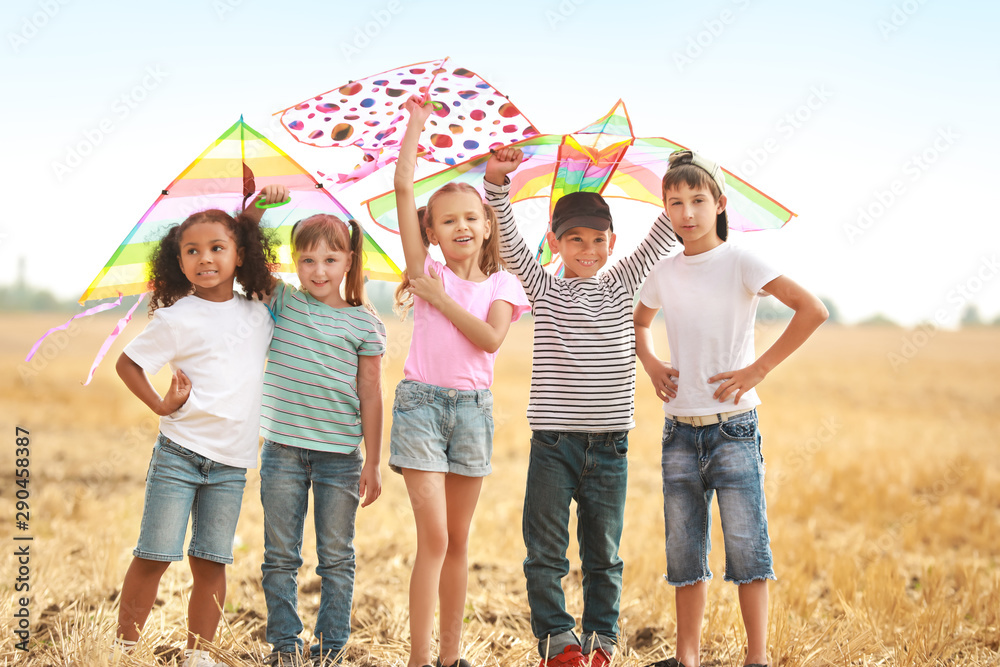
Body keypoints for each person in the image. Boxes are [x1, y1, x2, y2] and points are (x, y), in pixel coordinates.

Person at [483, 146, 677, 667]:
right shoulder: (542, 288)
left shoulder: (623, 283)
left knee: (603, 556)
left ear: (612, 244)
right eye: (575, 240)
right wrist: (497, 187)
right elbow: (509, 240)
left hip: (611, 446)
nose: (587, 249)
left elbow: (666, 230)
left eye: (597, 240)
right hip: (553, 444)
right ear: (555, 242)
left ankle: (601, 643)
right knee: (545, 552)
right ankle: (556, 642)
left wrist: (681, 177)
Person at [634, 150, 828, 667]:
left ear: (719, 204)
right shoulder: (664, 270)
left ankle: (757, 658)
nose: (687, 213)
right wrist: (652, 364)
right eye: (675, 203)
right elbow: (639, 322)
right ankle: (687, 658)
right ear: (665, 209)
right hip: (678, 431)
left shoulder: (742, 260)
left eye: (698, 200)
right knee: (684, 554)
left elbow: (813, 309)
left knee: (747, 549)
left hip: (734, 429)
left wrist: (757, 370)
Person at [391, 95, 530, 667]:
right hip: (421, 408)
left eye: (471, 217)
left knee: (460, 541)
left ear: (488, 222)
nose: (461, 226)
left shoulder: (502, 283)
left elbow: (490, 340)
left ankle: (451, 658)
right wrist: (417, 125)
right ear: (432, 233)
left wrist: (443, 301)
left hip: (473, 411)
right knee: (436, 540)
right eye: (447, 221)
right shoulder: (426, 271)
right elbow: (403, 189)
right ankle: (420, 660)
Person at [112, 208, 276, 667]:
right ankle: (123, 650)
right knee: (154, 555)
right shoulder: (175, 318)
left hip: (231, 462)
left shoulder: (260, 314)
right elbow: (128, 364)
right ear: (178, 262)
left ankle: (199, 655)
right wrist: (160, 405)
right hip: (179, 454)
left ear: (239, 255)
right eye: (192, 251)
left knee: (211, 562)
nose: (205, 258)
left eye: (217, 248)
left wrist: (256, 212)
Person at [245, 186, 387, 667]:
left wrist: (374, 460)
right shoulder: (282, 301)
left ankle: (329, 647)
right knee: (280, 556)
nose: (319, 271)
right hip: (282, 451)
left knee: (336, 558)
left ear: (349, 260)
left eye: (330, 259)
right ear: (294, 263)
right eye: (307, 260)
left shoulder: (365, 324)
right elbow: (246, 262)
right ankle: (284, 644)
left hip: (340, 456)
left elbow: (371, 393)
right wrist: (256, 211)